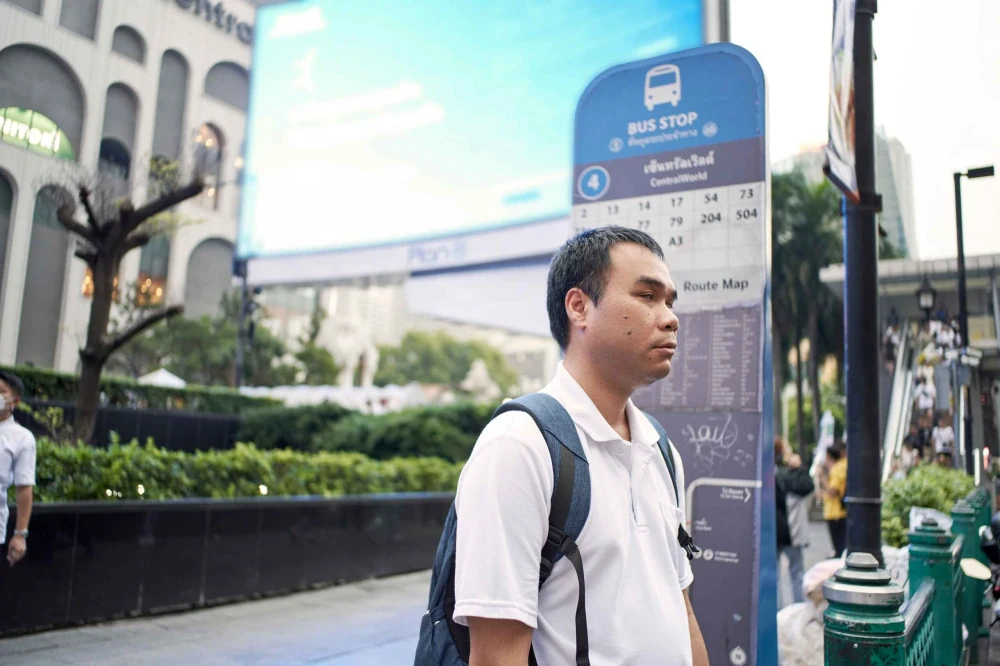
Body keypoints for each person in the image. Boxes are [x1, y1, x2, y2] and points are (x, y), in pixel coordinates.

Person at [453, 227, 708, 665]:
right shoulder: (519, 446)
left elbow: (681, 608)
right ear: (579, 307)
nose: (670, 317)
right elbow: (497, 657)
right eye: (647, 296)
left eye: (669, 301)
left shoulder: (661, 448)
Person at [0, 370, 36, 567]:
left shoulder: (21, 438)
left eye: (1, 391)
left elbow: (24, 487)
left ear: (15, 401)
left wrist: (20, 534)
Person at [775, 437, 815, 607]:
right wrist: (800, 469)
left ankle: (776, 612)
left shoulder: (767, 472)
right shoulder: (788, 474)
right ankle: (798, 609)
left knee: (773, 575)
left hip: (772, 532)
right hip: (791, 531)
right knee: (797, 572)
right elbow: (808, 486)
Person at [823, 441, 847, 558]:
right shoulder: (844, 465)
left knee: (839, 548)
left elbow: (832, 491)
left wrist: (822, 478)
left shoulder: (837, 469)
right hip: (841, 511)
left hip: (835, 512)